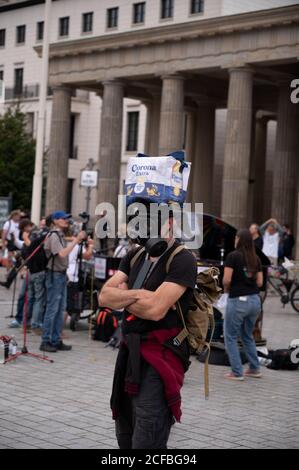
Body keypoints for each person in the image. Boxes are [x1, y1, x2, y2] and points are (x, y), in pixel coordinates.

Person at [99, 210, 197, 450]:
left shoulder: (182, 259)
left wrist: (122, 297)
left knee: (148, 430)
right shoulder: (134, 255)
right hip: (130, 350)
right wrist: (139, 294)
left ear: (170, 223)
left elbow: (156, 311)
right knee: (125, 426)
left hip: (161, 354)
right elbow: (103, 296)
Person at [40, 211, 86, 353]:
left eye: (67, 218)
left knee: (60, 309)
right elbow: (62, 254)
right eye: (63, 218)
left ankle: (56, 340)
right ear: (55, 220)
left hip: (60, 275)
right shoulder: (53, 235)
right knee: (52, 309)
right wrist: (76, 240)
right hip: (54, 276)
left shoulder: (59, 234)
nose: (66, 221)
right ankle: (45, 341)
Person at [223, 229, 264, 381]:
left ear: (239, 239)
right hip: (255, 300)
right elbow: (260, 282)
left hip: (238, 300)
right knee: (247, 335)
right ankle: (254, 368)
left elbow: (226, 279)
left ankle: (237, 372)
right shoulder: (256, 258)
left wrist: (227, 289)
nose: (234, 240)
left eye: (236, 237)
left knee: (231, 336)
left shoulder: (232, 256)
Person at [66, 234, 94, 328]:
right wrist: (90, 245)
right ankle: (60, 331)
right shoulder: (76, 246)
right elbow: (87, 256)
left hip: (63, 272)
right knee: (70, 301)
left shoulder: (64, 241)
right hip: (72, 275)